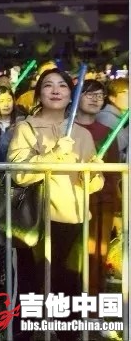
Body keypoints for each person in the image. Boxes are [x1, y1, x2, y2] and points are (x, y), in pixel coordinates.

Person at [7, 68, 103, 341]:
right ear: (39, 94)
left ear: (71, 94)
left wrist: (93, 174)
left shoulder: (82, 134)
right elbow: (19, 174)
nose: (56, 90)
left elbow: (93, 184)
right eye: (48, 85)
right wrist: (53, 154)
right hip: (38, 220)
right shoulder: (26, 128)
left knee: (69, 289)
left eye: (62, 85)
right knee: (31, 288)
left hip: (75, 219)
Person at [75, 80, 121, 295]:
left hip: (101, 205)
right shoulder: (65, 129)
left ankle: (92, 307)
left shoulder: (109, 132)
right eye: (89, 94)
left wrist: (116, 211)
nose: (95, 99)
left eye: (100, 95)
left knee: (96, 260)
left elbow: (112, 175)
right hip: (70, 205)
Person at [96, 77, 128, 162]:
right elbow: (115, 147)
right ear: (112, 98)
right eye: (126, 92)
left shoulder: (118, 116)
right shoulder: (106, 117)